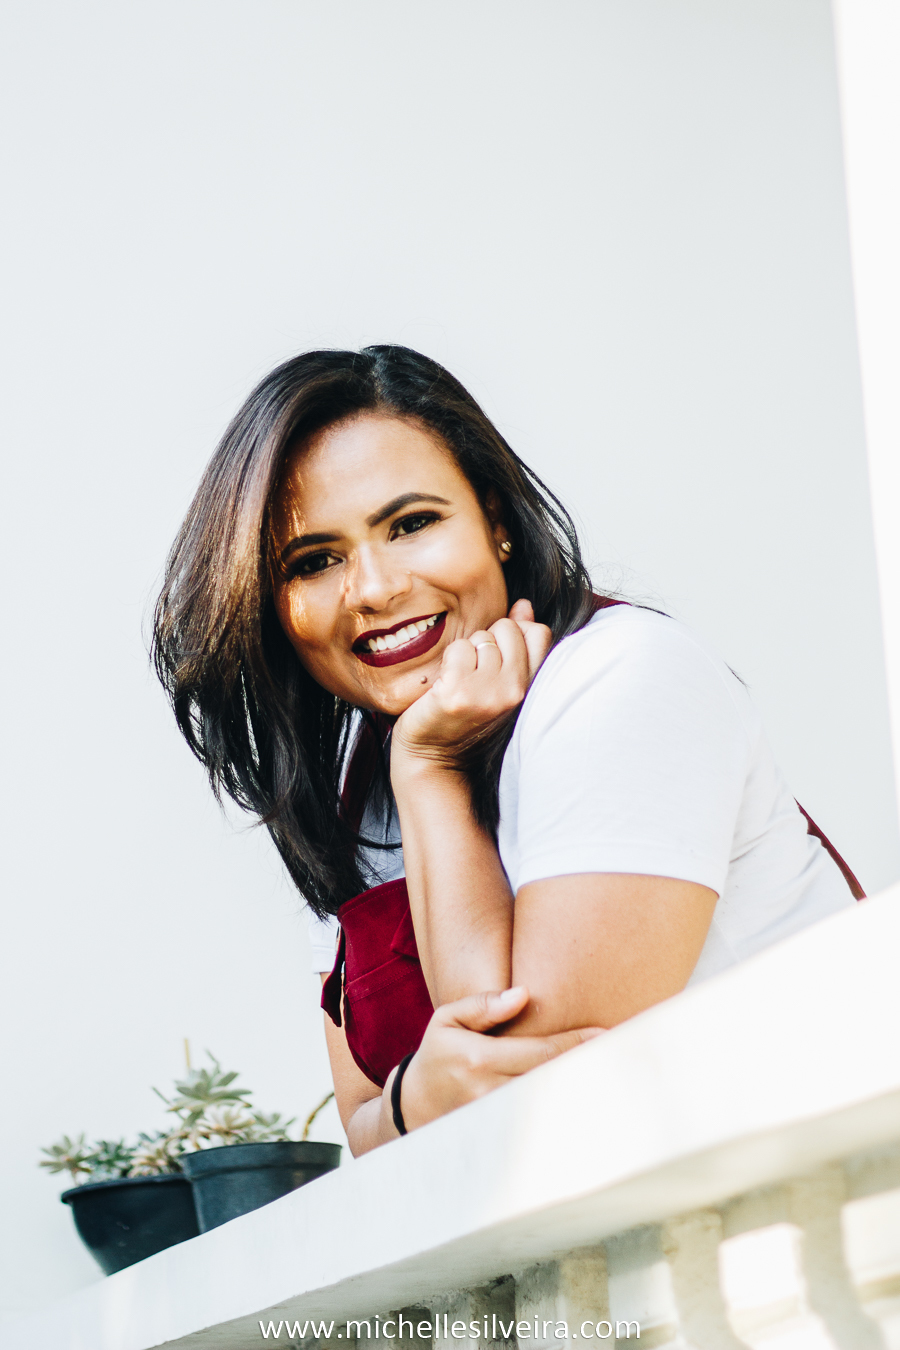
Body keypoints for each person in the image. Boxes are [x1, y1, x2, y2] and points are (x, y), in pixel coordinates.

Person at [152, 345, 861, 1156]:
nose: (375, 588)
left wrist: (429, 775)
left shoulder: (620, 683)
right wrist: (418, 1098)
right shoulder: (358, 789)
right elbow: (365, 1126)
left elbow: (530, 1107)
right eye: (316, 561)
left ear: (495, 523)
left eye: (411, 523)